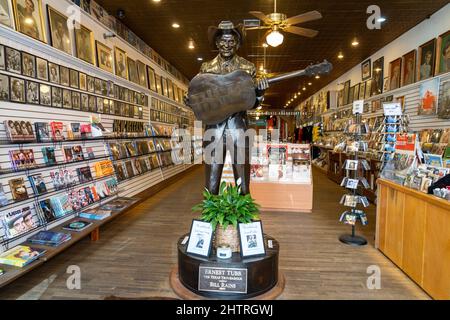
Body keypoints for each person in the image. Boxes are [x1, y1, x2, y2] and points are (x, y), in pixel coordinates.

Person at [188, 21, 268, 195]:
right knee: (211, 180)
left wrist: (260, 93)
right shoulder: (206, 67)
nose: (227, 45)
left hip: (238, 126)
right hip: (213, 129)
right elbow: (202, 97)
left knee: (243, 180)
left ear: (237, 44)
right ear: (217, 43)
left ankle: (243, 220)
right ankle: (210, 219)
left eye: (231, 41)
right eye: (223, 41)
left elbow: (252, 104)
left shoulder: (247, 68)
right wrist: (191, 102)